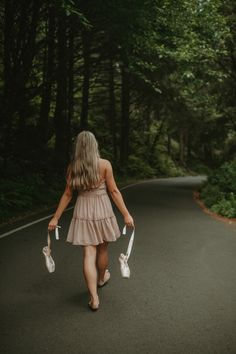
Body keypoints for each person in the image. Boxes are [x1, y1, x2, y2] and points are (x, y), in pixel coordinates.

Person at [48, 131, 134, 311]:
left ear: (78, 147)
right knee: (103, 249)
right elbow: (114, 192)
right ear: (95, 145)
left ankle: (94, 298)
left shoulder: (73, 167)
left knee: (88, 253)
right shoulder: (104, 165)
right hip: (102, 209)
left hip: (84, 210)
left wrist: (56, 217)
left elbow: (68, 194)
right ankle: (102, 278)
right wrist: (126, 214)